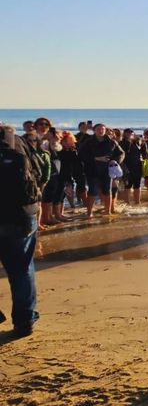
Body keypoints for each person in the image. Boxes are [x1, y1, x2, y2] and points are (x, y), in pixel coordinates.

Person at [0, 123, 41, 337]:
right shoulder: (20, 143)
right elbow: (40, 172)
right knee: (22, 269)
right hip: (21, 214)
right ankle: (24, 321)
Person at [79, 124, 124, 217]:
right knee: (92, 192)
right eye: (98, 129)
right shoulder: (88, 142)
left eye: (103, 129)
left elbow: (121, 153)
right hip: (92, 170)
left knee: (107, 191)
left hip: (107, 171)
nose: (101, 130)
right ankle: (89, 213)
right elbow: (81, 154)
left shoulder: (111, 142)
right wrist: (95, 158)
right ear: (94, 131)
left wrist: (115, 160)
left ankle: (108, 212)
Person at [120, 129, 147, 205]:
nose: (129, 134)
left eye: (131, 133)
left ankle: (137, 202)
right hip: (127, 167)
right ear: (124, 134)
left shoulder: (137, 143)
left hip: (137, 166)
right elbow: (123, 153)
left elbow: (145, 155)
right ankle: (127, 202)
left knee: (137, 185)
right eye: (127, 133)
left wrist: (144, 144)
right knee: (128, 185)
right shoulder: (122, 143)